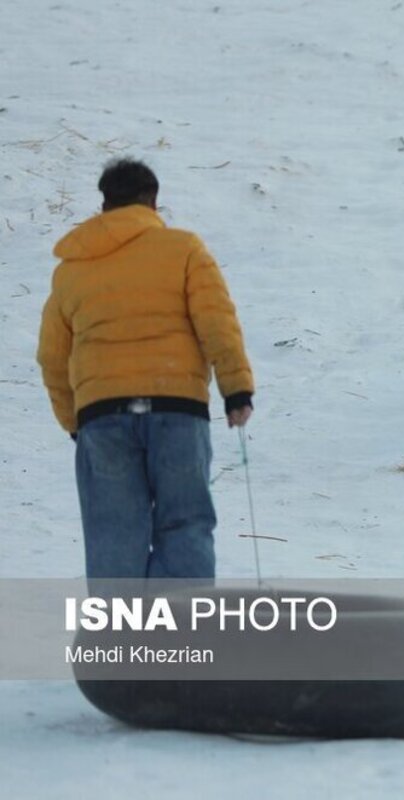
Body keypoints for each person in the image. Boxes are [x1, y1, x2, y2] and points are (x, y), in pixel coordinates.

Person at [36, 158, 254, 586]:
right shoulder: (184, 249)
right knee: (185, 525)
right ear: (153, 202)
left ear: (104, 205)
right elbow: (217, 321)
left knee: (113, 539)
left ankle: (119, 645)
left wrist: (74, 422)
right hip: (177, 411)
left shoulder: (71, 271)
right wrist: (236, 389)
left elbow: (51, 357)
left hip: (103, 417)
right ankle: (183, 638)